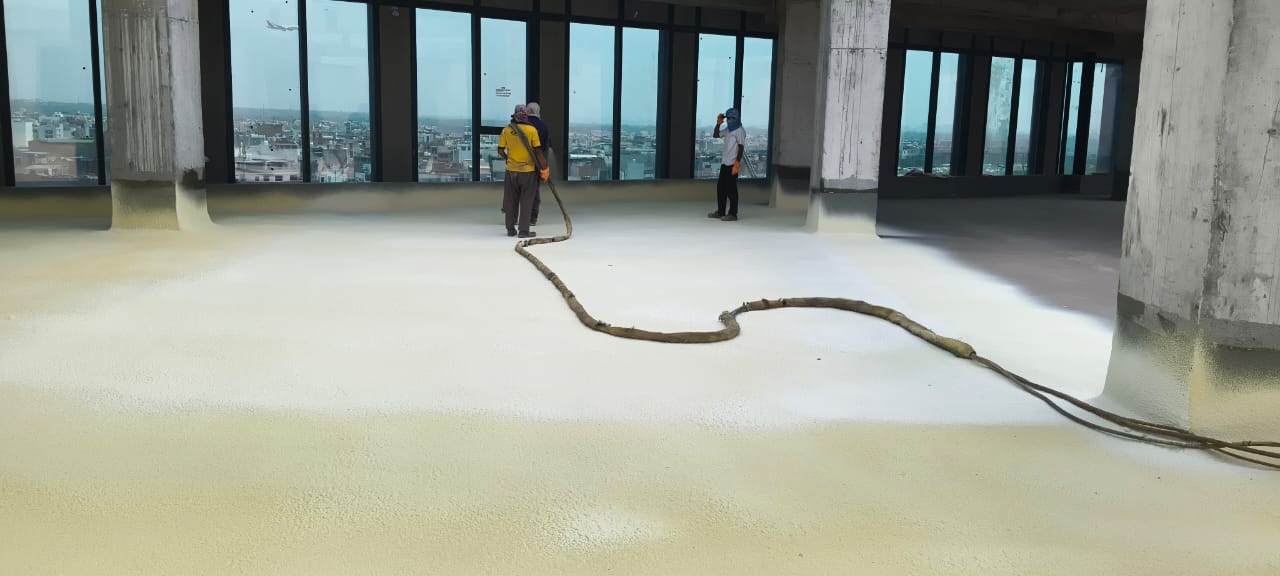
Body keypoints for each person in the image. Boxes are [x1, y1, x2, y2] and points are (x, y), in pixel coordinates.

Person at [497, 105, 549, 238]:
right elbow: (538, 152)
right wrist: (545, 169)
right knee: (526, 201)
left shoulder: (507, 130)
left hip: (511, 171)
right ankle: (524, 231)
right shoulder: (531, 130)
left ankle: (510, 229)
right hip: (528, 172)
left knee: (510, 201)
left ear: (514, 115)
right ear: (526, 116)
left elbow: (500, 150)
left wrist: (507, 159)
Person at [708, 107, 745, 221]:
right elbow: (716, 135)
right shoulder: (728, 129)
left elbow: (741, 147)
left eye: (732, 118)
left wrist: (737, 163)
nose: (729, 120)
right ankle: (721, 211)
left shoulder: (740, 130)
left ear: (736, 118)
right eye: (728, 118)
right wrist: (718, 123)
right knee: (721, 188)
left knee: (731, 190)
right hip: (725, 163)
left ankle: (733, 214)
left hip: (732, 164)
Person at [526, 102, 552, 226]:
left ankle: (514, 218)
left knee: (517, 192)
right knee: (534, 192)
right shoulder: (543, 126)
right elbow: (544, 149)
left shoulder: (522, 125)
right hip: (536, 164)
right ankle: (532, 218)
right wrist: (544, 167)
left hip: (520, 163)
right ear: (538, 111)